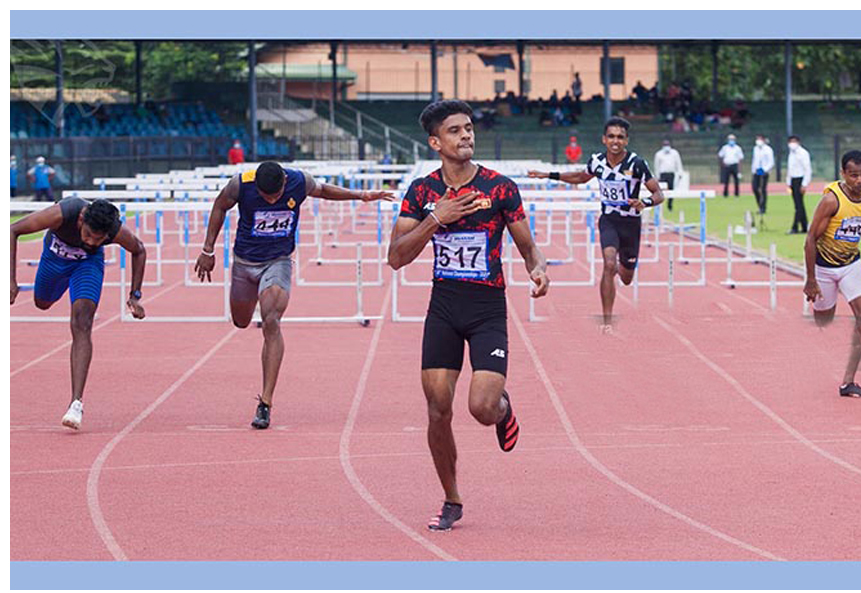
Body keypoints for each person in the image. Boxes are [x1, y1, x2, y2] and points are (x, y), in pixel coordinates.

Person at [387, 100, 549, 531]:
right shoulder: (422, 193)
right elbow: (396, 258)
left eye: (469, 129)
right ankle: (452, 499)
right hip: (444, 306)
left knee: (480, 407)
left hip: (486, 308)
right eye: (455, 131)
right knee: (438, 409)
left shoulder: (500, 188)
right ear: (435, 142)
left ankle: (503, 406)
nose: (466, 136)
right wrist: (435, 220)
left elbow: (526, 244)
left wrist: (537, 266)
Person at [194, 162, 393, 430]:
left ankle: (265, 403)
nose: (273, 200)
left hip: (278, 260)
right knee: (240, 321)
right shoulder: (240, 184)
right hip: (244, 262)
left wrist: (360, 195)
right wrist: (208, 250)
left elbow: (323, 190)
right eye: (267, 198)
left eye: (276, 196)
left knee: (271, 320)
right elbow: (219, 206)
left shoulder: (299, 181)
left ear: (284, 185)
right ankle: (251, 311)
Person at [10, 198, 147, 430]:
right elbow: (12, 230)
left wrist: (135, 295)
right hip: (54, 260)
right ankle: (60, 286)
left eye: (99, 239)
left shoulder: (112, 231)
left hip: (87, 266)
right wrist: (10, 279)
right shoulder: (63, 213)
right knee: (42, 303)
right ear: (81, 220)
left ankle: (76, 402)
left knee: (82, 322)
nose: (91, 241)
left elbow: (139, 250)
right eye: (88, 235)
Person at [528, 117, 665, 332]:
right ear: (604, 139)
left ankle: (623, 267)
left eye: (620, 137)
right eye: (611, 136)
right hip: (609, 220)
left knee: (627, 277)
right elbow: (580, 177)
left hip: (630, 224)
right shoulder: (597, 162)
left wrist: (644, 202)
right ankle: (607, 320)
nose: (615, 141)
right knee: (608, 264)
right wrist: (549, 175)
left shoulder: (637, 164)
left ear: (626, 140)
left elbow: (659, 194)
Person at [803, 150, 861, 398]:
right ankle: (823, 303)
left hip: (851, 265)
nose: (860, 180)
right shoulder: (831, 201)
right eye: (853, 175)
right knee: (823, 318)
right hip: (823, 268)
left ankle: (848, 382)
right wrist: (811, 280)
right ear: (843, 174)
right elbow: (810, 240)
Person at [787, 135, 813, 234]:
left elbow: (807, 169)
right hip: (793, 179)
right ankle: (804, 226)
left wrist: (804, 184)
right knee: (799, 204)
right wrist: (788, 182)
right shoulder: (791, 154)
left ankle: (795, 227)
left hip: (800, 179)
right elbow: (790, 169)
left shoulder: (803, 153)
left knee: (798, 205)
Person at [653, 139, 683, 211]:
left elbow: (678, 163)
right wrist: (657, 176)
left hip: (671, 174)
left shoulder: (675, 153)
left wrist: (680, 172)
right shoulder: (659, 154)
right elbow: (656, 166)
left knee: (671, 189)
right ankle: (660, 205)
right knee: (660, 191)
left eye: (667, 145)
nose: (666, 147)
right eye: (665, 145)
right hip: (662, 174)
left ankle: (670, 205)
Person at [750, 134, 775, 217]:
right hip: (756, 171)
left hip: (764, 171)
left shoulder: (768, 150)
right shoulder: (755, 149)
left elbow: (771, 162)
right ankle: (759, 204)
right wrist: (753, 170)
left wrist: (765, 170)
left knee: (762, 189)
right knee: (755, 188)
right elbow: (754, 160)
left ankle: (763, 207)